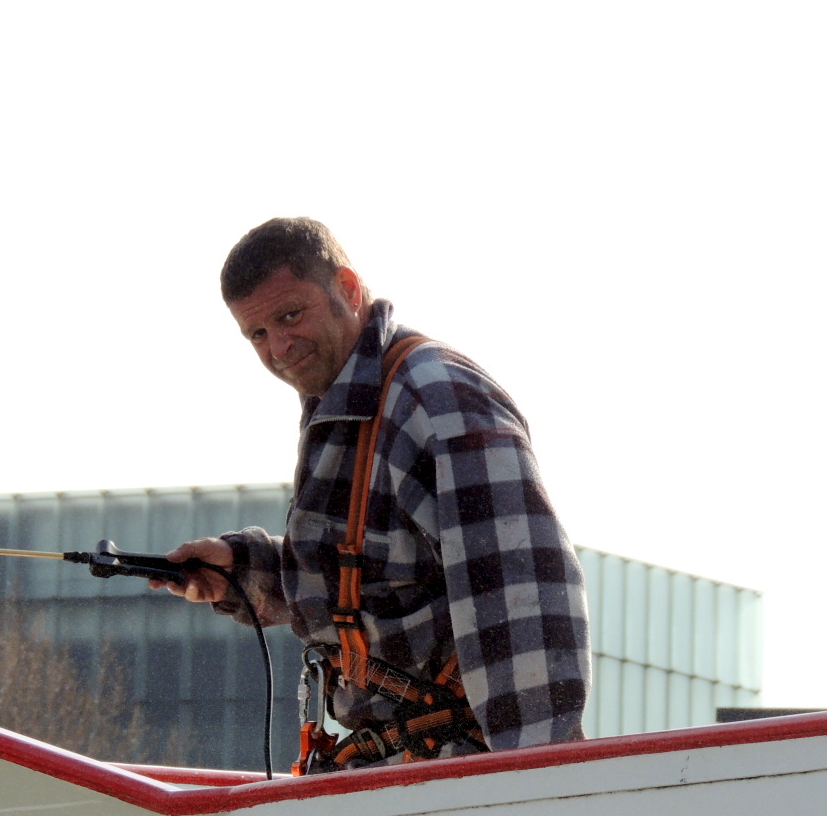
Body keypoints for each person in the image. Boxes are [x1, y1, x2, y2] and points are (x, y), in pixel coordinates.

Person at [154, 217, 589, 770]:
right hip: (392, 770)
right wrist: (244, 570)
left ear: (349, 288)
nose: (279, 347)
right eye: (257, 334)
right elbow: (379, 580)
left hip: (458, 777)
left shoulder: (438, 399)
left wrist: (536, 786)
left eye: (290, 316)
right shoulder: (344, 402)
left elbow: (522, 599)